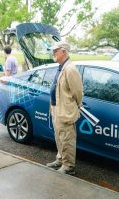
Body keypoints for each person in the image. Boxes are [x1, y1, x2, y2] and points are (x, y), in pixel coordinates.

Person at [46, 42, 83, 175]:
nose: (53, 54)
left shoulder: (70, 69)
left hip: (65, 111)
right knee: (59, 137)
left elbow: (78, 92)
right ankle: (61, 159)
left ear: (64, 52)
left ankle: (68, 167)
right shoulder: (62, 67)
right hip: (57, 109)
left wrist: (78, 105)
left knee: (67, 139)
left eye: (55, 51)